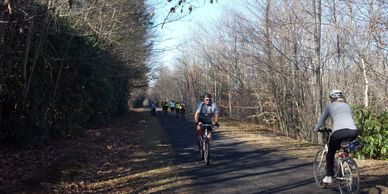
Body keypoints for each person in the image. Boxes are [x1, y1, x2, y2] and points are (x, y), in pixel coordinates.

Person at [312, 89, 358, 184]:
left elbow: (321, 120)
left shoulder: (330, 107)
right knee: (343, 146)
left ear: (332, 98)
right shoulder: (347, 106)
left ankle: (329, 176)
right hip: (353, 131)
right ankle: (346, 162)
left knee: (330, 153)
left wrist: (315, 129)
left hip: (339, 132)